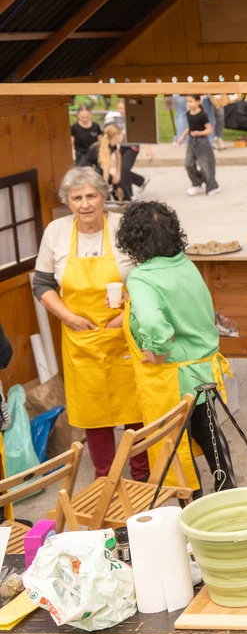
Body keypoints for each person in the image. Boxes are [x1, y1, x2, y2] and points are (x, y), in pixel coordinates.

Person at [32, 168, 144, 480]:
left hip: (124, 333)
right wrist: (69, 317)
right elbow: (41, 285)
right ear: (67, 201)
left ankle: (142, 472)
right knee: (95, 414)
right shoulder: (55, 232)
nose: (85, 204)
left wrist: (128, 315)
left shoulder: (123, 227)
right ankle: (105, 478)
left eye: (91, 196)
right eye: (77, 197)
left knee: (135, 408)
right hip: (81, 338)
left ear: (103, 196)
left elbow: (148, 278)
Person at [117, 201, 235, 494]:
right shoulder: (186, 265)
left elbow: (154, 324)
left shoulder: (142, 277)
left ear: (131, 240)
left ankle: (192, 504)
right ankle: (227, 489)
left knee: (174, 443)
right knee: (209, 432)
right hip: (203, 367)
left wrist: (156, 350)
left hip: (171, 374)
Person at [86, 123, 138, 202]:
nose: (123, 136)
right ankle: (113, 202)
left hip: (98, 170)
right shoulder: (105, 147)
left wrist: (117, 173)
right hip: (89, 172)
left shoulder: (113, 144)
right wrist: (105, 184)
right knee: (106, 192)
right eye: (121, 134)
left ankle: (126, 201)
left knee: (117, 183)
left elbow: (118, 156)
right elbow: (106, 168)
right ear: (116, 135)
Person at [183, 95, 219, 197]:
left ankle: (212, 186)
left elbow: (209, 130)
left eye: (191, 101)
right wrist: (181, 137)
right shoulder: (188, 114)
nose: (189, 104)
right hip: (191, 141)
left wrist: (199, 133)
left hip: (202, 142)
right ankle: (197, 182)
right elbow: (189, 127)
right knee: (188, 163)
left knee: (205, 165)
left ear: (198, 101)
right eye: (188, 102)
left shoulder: (202, 115)